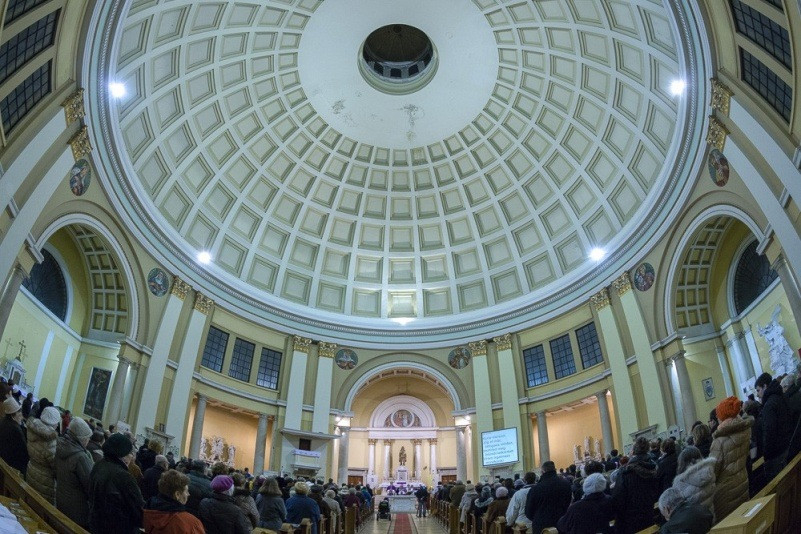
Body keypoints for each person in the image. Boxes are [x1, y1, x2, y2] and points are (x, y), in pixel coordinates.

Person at [88, 433, 145, 534]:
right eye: (130, 453)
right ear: (123, 455)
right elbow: (139, 511)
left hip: (96, 525)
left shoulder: (99, 465)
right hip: (117, 528)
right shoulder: (124, 476)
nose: (132, 457)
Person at [710, 395, 753, 521]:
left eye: (718, 415)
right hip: (742, 481)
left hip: (726, 493)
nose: (717, 418)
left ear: (723, 416)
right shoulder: (744, 430)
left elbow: (712, 473)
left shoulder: (719, 441)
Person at [610, 436, 660, 534]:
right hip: (649, 512)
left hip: (630, 518)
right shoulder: (654, 467)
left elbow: (618, 498)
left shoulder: (626, 472)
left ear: (633, 451)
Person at [55, 418, 94, 527]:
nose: (88, 441)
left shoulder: (60, 444)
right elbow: (90, 485)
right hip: (77, 509)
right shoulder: (81, 457)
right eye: (87, 438)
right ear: (81, 438)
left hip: (61, 499)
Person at [755, 372, 793, 482]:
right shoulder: (780, 396)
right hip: (788, 445)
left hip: (777, 454)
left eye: (758, 390)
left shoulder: (769, 405)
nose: (757, 394)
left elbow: (769, 433)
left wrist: (766, 455)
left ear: (765, 386)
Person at [143, 468, 205, 533]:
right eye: (186, 491)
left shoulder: (149, 510)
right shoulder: (191, 523)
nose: (188, 494)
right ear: (177, 494)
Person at [525, 461, 572, 534]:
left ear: (543, 471)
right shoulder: (566, 484)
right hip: (562, 524)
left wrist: (539, 518)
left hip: (542, 527)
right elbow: (568, 502)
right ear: (555, 470)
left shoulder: (535, 489)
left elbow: (528, 512)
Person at [670, 445, 715, 520]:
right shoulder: (709, 471)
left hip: (691, 521)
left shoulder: (680, 481)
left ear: (682, 462)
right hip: (710, 515)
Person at [26, 405, 60, 503]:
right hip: (45, 480)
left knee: (30, 499)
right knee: (40, 505)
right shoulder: (50, 440)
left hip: (31, 469)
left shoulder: (32, 429)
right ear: (54, 422)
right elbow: (55, 466)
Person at [0, 397, 28, 476]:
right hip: (12, 465)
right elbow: (24, 452)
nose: (21, 414)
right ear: (13, 414)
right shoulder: (16, 429)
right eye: (19, 411)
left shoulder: (2, 421)